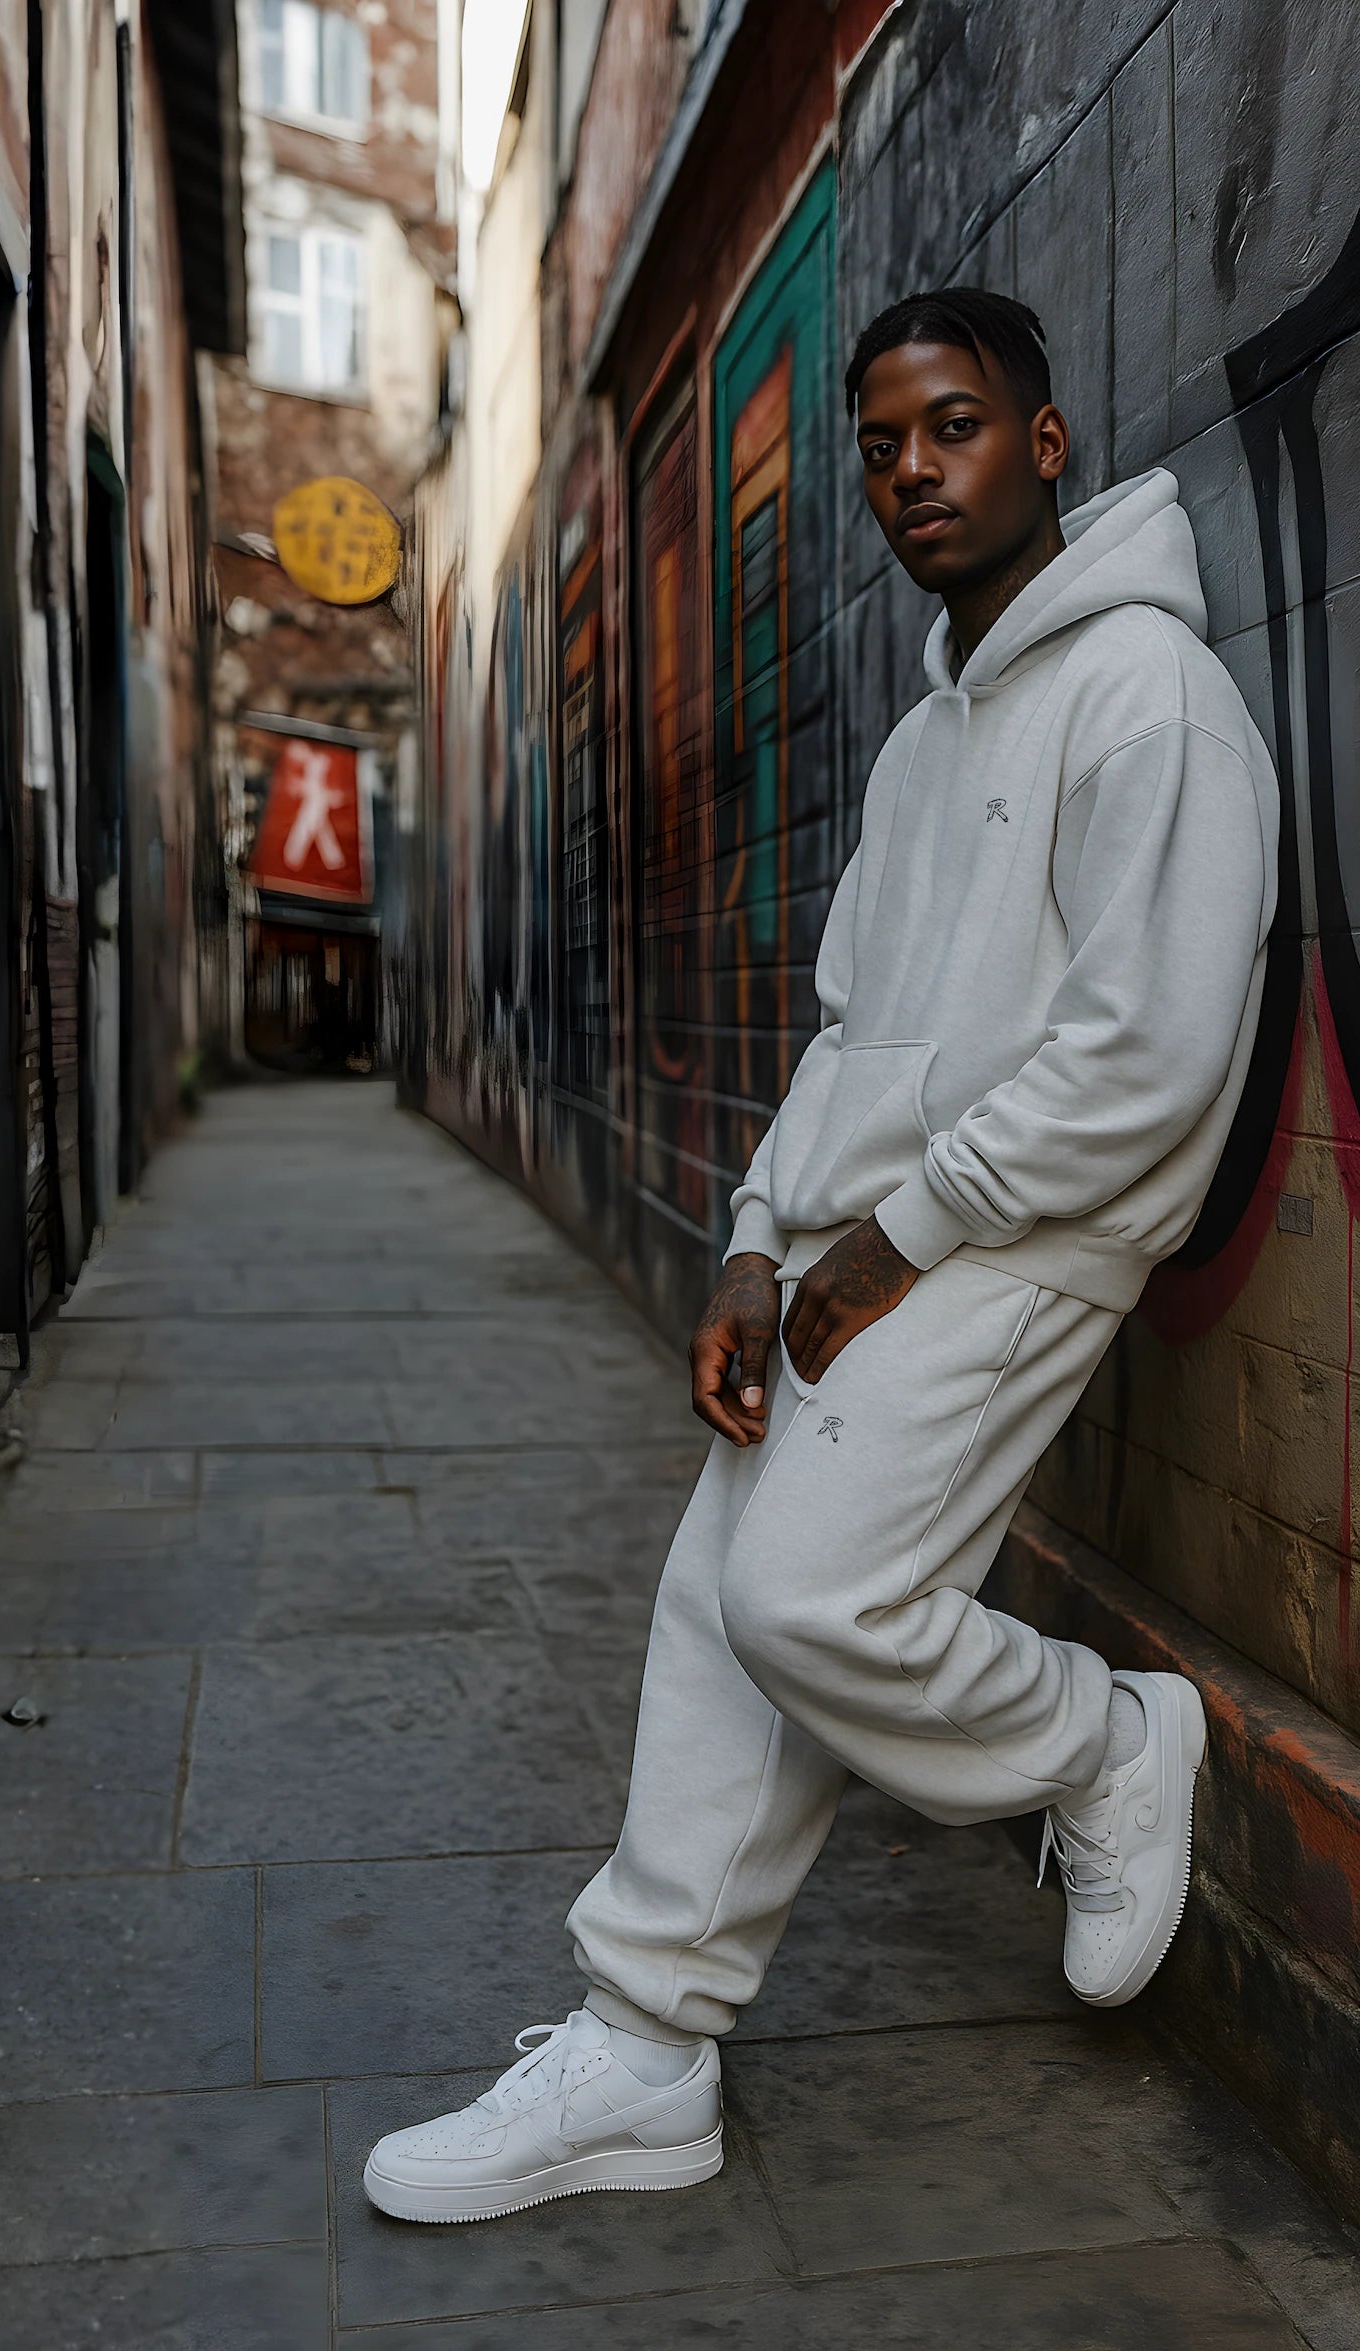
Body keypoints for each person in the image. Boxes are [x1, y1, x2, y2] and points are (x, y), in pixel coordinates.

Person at [364, 289, 1278, 2224]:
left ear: (1044, 440)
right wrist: (761, 1245)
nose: (908, 474)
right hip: (875, 1242)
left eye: (951, 429)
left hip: (1028, 1241)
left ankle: (1106, 1748)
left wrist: (902, 1237)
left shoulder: (1153, 699)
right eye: (877, 446)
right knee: (716, 1605)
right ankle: (644, 2053)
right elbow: (851, 1036)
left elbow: (1151, 1055)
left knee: (800, 1602)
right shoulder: (930, 739)